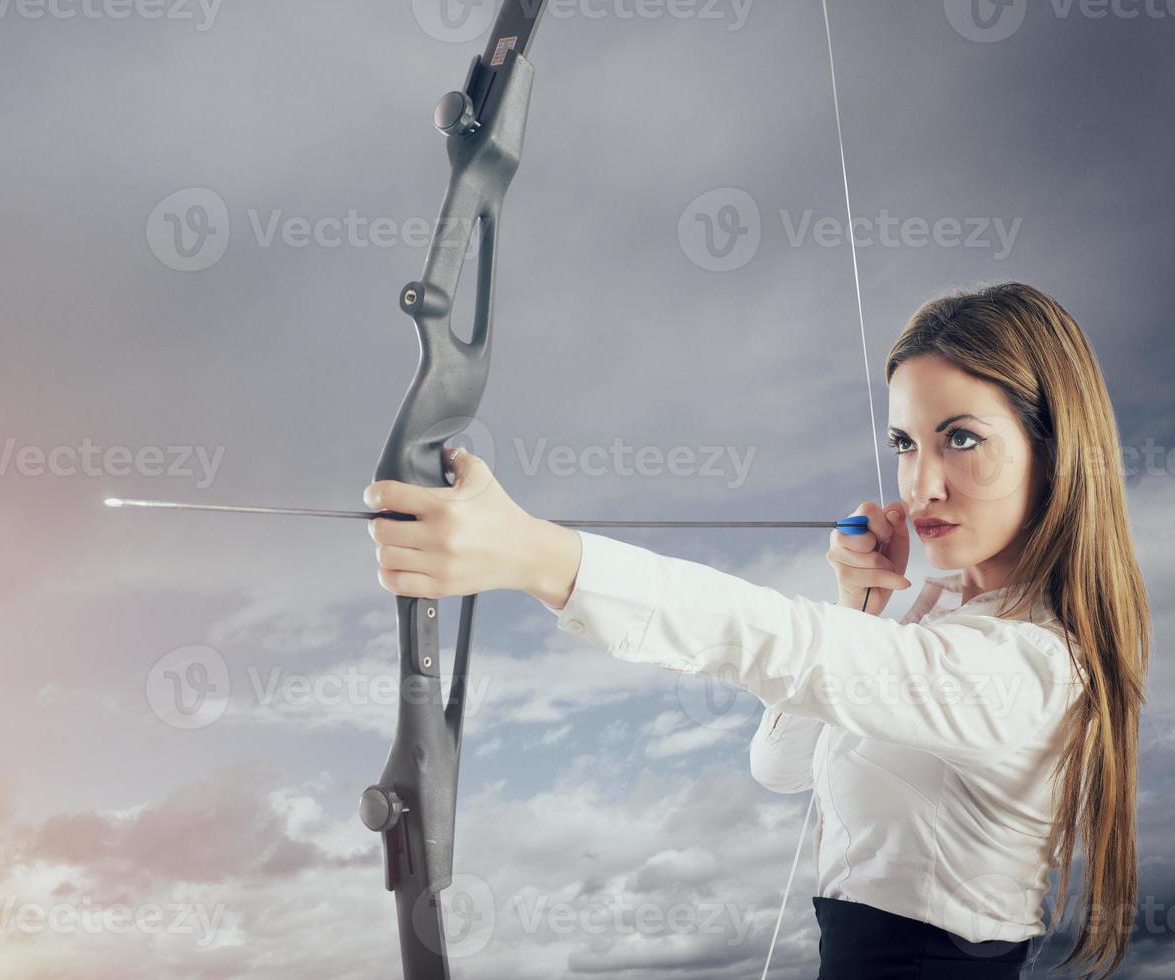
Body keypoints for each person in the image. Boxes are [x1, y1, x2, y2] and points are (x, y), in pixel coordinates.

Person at [365, 283, 1149, 978]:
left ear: (1053, 450)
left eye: (961, 439)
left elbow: (774, 638)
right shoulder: (935, 614)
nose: (920, 485)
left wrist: (535, 554)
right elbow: (778, 765)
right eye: (904, 444)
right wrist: (857, 606)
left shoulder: (1033, 665)